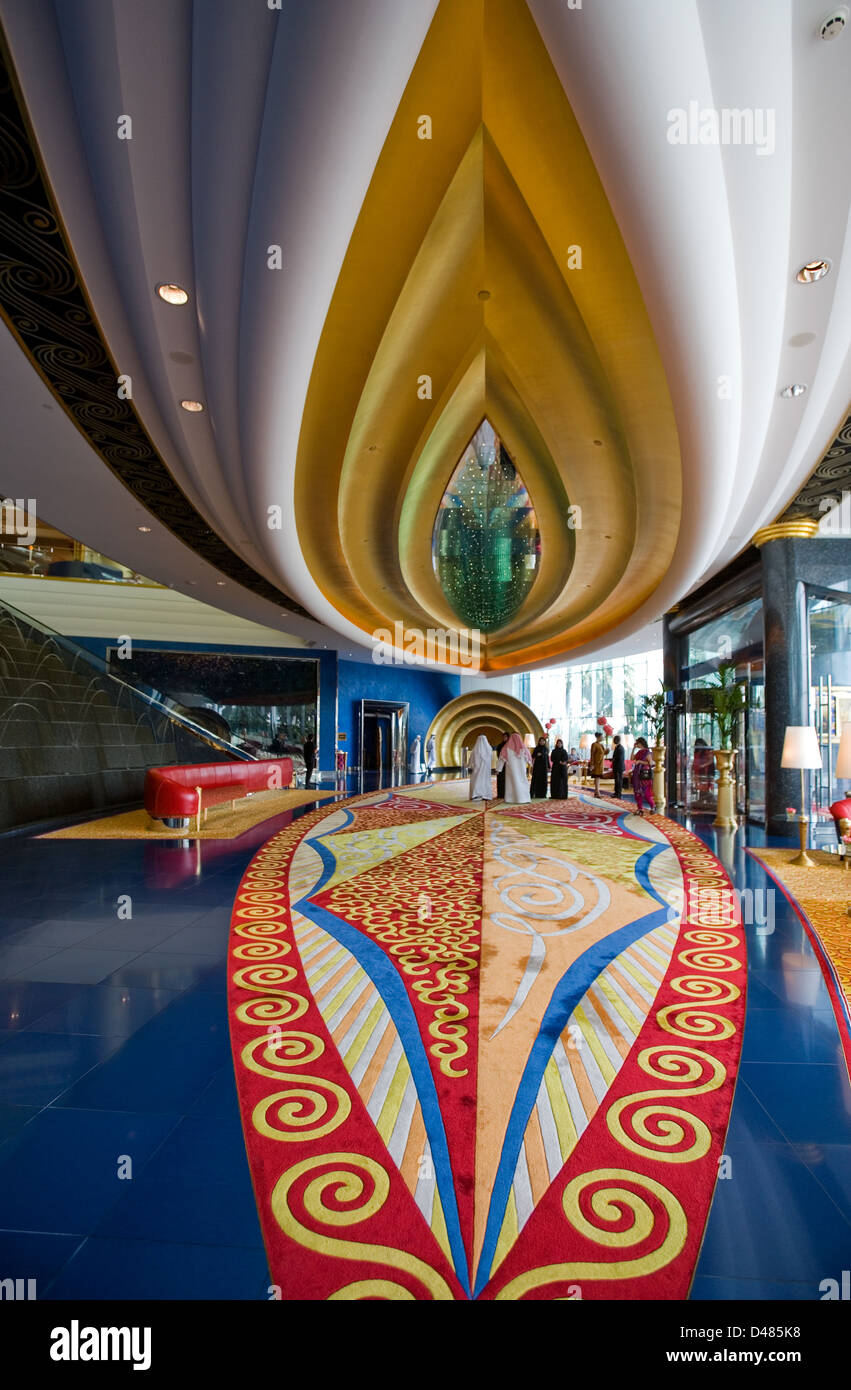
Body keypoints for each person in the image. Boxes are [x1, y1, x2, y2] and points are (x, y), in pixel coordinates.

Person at [497, 732, 531, 805]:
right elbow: (529, 759)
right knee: (522, 782)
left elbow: (501, 759)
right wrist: (530, 764)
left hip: (511, 770)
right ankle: (523, 798)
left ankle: (511, 798)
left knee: (511, 784)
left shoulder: (506, 748)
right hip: (521, 770)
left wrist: (498, 769)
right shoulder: (524, 748)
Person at [631, 736, 655, 816]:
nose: (636, 744)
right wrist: (633, 749)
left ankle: (652, 806)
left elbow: (651, 763)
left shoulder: (647, 752)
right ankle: (640, 808)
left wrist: (640, 762)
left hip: (644, 774)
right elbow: (632, 758)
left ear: (640, 743)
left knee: (645, 792)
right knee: (637, 792)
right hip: (637, 774)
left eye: (637, 743)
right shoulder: (639, 752)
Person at [469, 734, 493, 801]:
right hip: (486, 770)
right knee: (486, 782)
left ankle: (475, 795)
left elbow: (471, 759)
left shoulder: (475, 749)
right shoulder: (489, 748)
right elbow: (491, 758)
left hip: (477, 769)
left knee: (477, 781)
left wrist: (470, 766)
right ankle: (486, 795)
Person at [589, 731, 606, 796]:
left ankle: (596, 792)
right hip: (596, 764)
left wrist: (607, 750)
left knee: (598, 778)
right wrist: (592, 764)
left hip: (601, 764)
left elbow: (603, 753)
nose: (602, 738)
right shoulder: (594, 744)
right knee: (597, 778)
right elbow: (592, 754)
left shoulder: (601, 745)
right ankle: (597, 792)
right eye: (602, 737)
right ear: (598, 737)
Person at [495, 731, 510, 799]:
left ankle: (507, 794)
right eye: (503, 737)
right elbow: (498, 754)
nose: (504, 738)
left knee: (507, 780)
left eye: (506, 737)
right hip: (501, 763)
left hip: (508, 764)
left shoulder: (510, 745)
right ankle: (500, 794)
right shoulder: (500, 745)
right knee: (500, 779)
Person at [611, 734, 625, 800]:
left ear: (618, 740)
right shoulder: (617, 747)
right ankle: (616, 793)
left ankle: (618, 794)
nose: (614, 741)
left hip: (619, 767)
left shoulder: (620, 748)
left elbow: (620, 758)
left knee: (619, 781)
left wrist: (613, 759)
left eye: (615, 740)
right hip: (616, 766)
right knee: (616, 780)